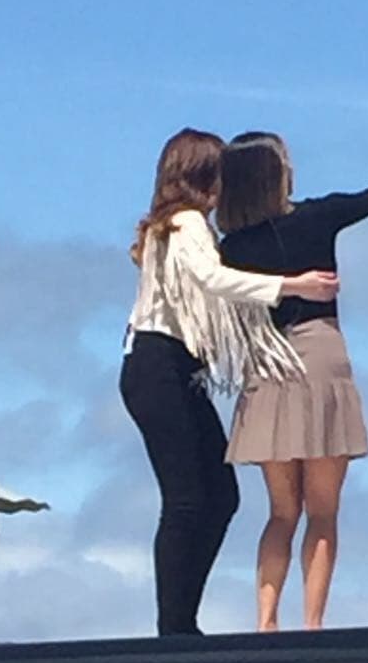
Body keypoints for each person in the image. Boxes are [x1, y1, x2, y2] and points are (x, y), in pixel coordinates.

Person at [217, 123, 368, 631]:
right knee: (322, 511)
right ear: (277, 175)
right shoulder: (317, 217)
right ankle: (313, 625)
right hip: (319, 356)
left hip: (266, 365)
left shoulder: (230, 248)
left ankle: (265, 622)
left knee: (281, 512)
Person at [120, 128, 339, 636]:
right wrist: (290, 284)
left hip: (167, 367)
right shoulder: (187, 223)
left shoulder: (168, 226)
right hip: (161, 364)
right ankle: (175, 627)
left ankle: (179, 622)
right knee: (189, 498)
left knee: (217, 495)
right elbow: (211, 279)